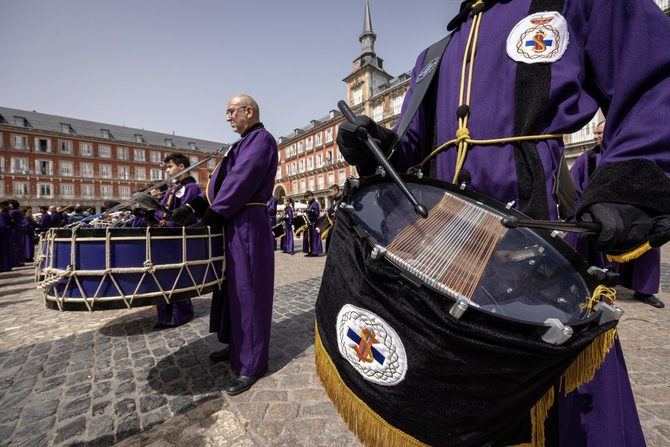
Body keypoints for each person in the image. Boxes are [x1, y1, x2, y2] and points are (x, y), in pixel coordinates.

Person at [337, 1, 670, 444]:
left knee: (557, 403)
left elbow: (653, 79)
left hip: (537, 240)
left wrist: (628, 182)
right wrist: (374, 144)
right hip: (445, 251)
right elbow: (410, 144)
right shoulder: (436, 52)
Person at [170, 94, 277, 395]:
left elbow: (240, 181)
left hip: (246, 223)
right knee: (230, 289)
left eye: (231, 111)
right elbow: (219, 183)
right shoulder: (241, 144)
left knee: (249, 292)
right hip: (233, 220)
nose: (228, 117)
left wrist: (213, 214)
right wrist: (193, 208)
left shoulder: (261, 140)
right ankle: (235, 348)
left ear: (248, 110)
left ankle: (252, 364)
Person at [571, 120, 663, 309]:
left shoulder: (634, 157)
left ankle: (644, 290)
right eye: (595, 133)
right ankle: (584, 282)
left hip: (632, 213)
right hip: (597, 213)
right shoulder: (586, 158)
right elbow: (573, 187)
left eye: (600, 132)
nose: (596, 136)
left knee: (649, 244)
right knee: (580, 240)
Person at [149, 153, 201, 330]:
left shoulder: (192, 188)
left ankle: (179, 315)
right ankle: (165, 316)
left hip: (178, 238)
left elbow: (186, 215)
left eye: (170, 167)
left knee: (176, 276)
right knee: (163, 276)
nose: (168, 171)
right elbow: (162, 211)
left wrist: (169, 221)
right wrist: (150, 214)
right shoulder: (172, 189)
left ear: (181, 166)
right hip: (166, 236)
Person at [302, 191, 322, 257]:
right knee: (308, 238)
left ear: (311, 196)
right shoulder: (309, 204)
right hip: (309, 223)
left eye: (307, 197)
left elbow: (316, 213)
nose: (307, 199)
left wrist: (309, 211)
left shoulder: (315, 203)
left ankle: (315, 252)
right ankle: (310, 251)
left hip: (314, 223)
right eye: (306, 198)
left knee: (314, 237)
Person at [325, 184, 341, 253]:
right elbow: (331, 209)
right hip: (333, 224)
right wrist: (328, 211)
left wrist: (336, 213)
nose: (330, 193)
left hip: (339, 225)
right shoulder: (333, 200)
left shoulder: (342, 199)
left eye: (331, 192)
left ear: (336, 191)